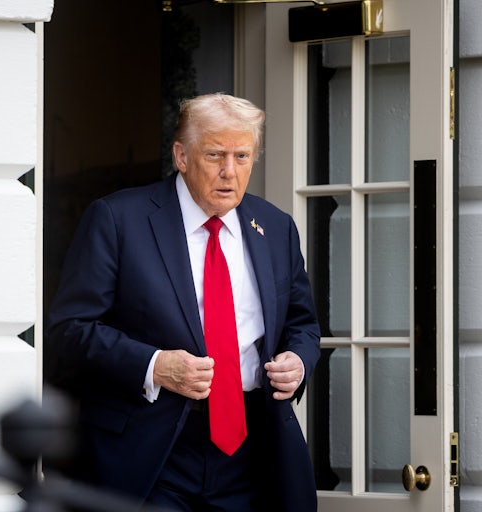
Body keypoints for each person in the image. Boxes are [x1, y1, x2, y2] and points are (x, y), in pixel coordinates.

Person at [45, 93, 320, 511]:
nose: (230, 172)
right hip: (153, 451)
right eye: (215, 154)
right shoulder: (118, 220)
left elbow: (303, 323)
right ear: (182, 156)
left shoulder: (277, 227)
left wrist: (298, 362)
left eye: (242, 156)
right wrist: (155, 365)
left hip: (253, 447)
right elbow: (70, 330)